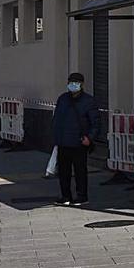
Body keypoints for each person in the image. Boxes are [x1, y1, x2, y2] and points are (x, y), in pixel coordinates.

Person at [51, 72, 98, 205]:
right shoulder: (63, 99)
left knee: (80, 171)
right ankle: (66, 196)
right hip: (63, 141)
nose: (73, 84)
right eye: (71, 82)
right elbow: (57, 119)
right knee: (63, 171)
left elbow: (95, 122)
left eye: (76, 82)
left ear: (81, 84)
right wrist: (56, 138)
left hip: (79, 142)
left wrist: (90, 137)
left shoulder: (88, 101)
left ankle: (82, 196)